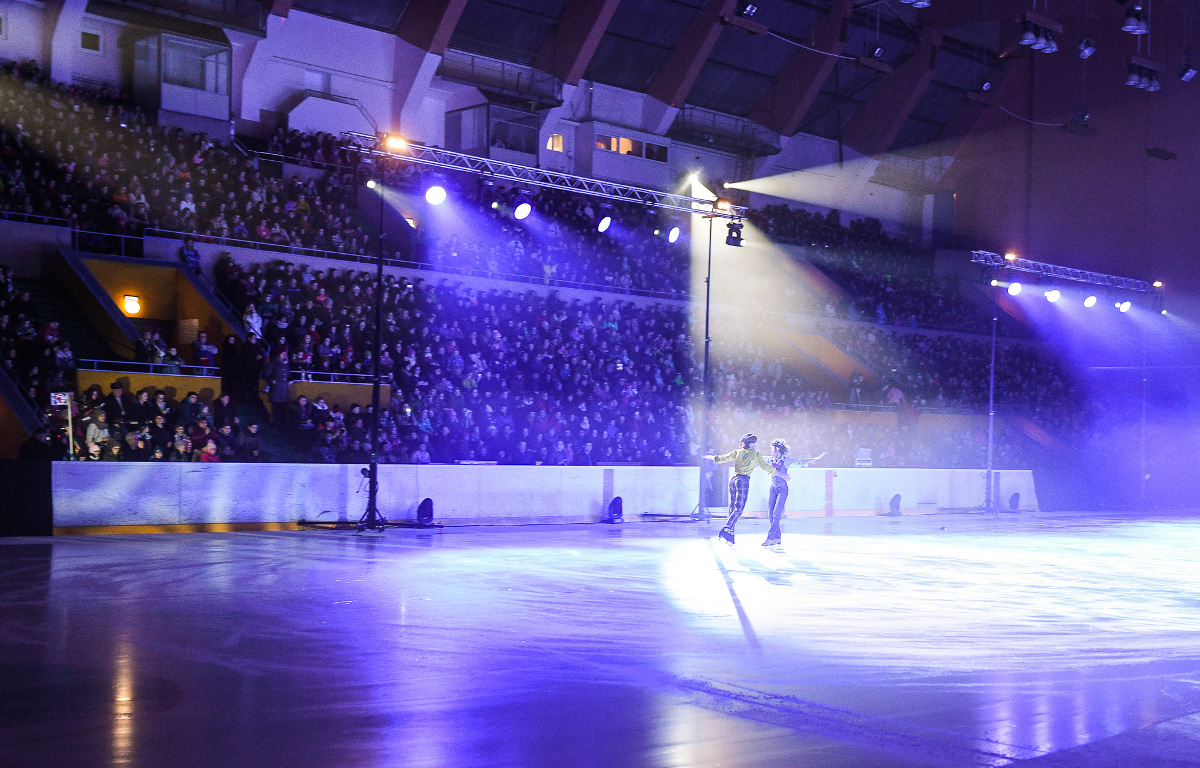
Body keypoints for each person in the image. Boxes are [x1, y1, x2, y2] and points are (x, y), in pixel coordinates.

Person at [705, 433, 774, 546]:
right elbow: (765, 466)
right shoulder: (756, 454)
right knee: (739, 508)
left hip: (733, 480)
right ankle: (727, 528)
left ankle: (730, 535)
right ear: (751, 444)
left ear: (742, 443)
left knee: (733, 508)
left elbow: (723, 458)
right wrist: (777, 472)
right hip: (743, 481)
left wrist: (712, 458)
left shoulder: (737, 452)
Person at [762, 439, 826, 548]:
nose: (771, 451)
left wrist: (814, 459)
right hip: (773, 488)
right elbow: (759, 459)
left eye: (772, 449)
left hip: (782, 489)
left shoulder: (786, 460)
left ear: (777, 450)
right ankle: (777, 538)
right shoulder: (770, 459)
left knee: (776, 514)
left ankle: (770, 538)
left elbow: (799, 461)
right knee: (770, 514)